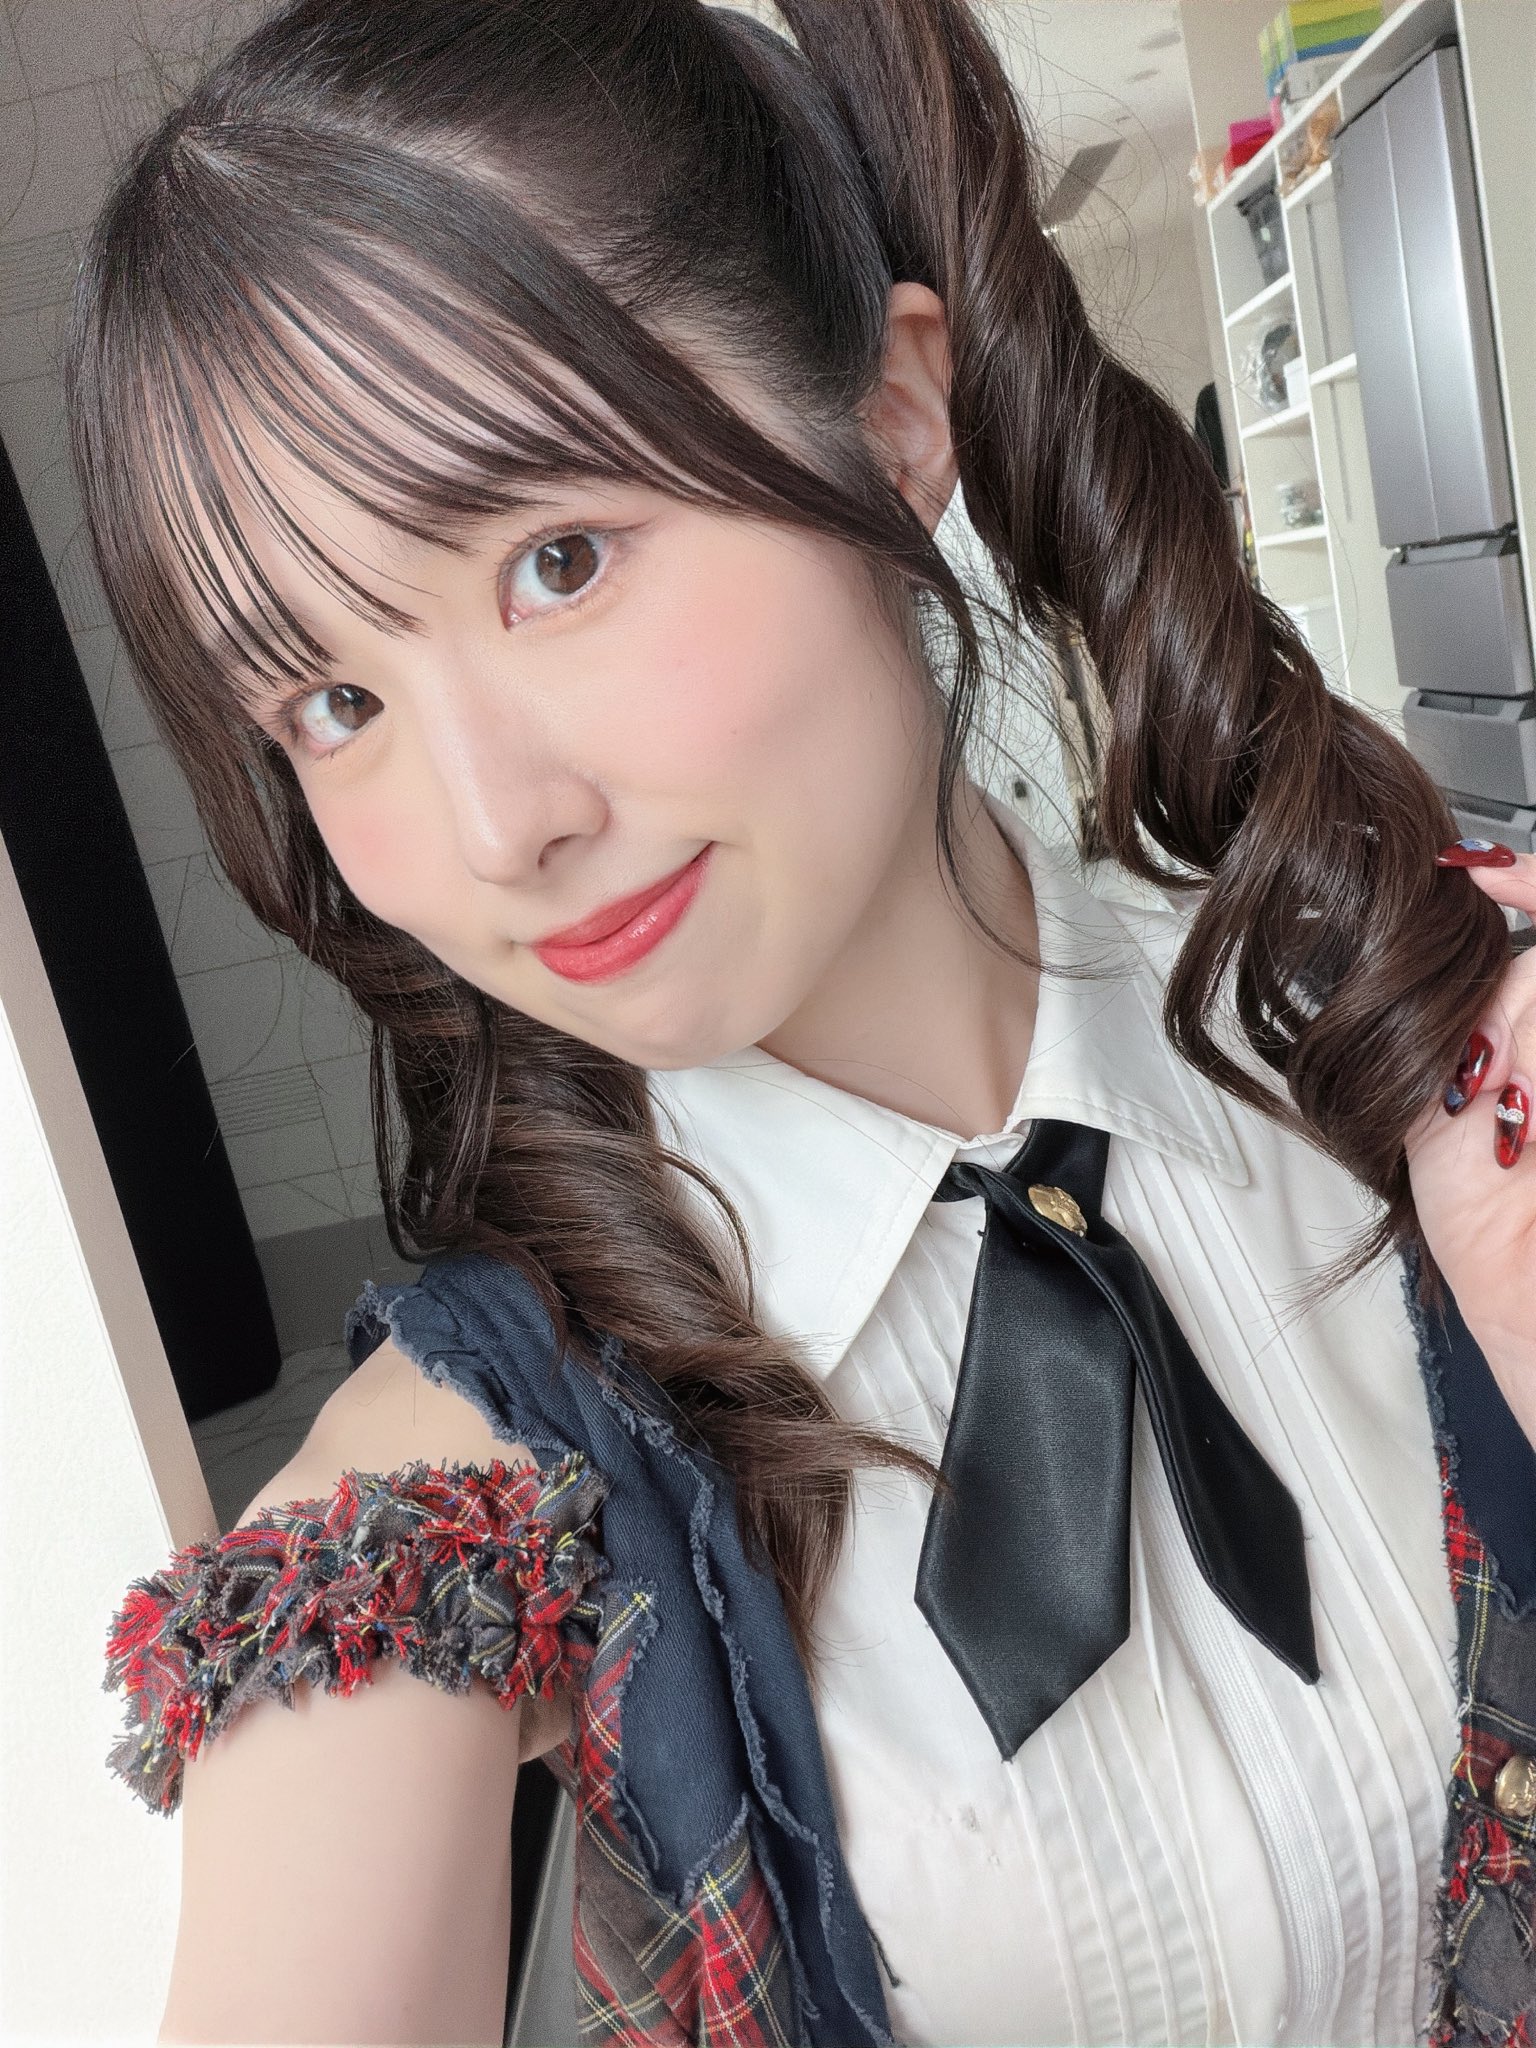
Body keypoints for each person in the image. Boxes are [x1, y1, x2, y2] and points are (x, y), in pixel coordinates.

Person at [65, 2, 1536, 2043]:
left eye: (557, 561)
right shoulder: (448, 1495)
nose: (497, 828)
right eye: (334, 701)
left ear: (896, 420)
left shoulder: (1394, 1053)